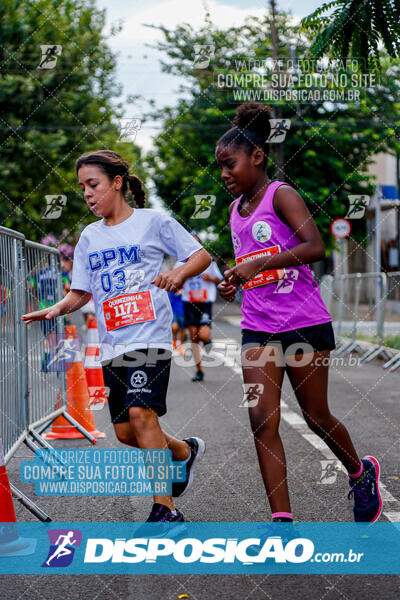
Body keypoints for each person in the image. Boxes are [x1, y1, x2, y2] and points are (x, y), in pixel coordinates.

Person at [22, 149, 210, 529]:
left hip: (150, 337)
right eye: (82, 189)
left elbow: (200, 256)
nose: (88, 194)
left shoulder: (153, 221)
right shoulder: (90, 236)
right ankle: (184, 451)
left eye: (93, 185)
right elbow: (81, 293)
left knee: (143, 416)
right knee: (128, 433)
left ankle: (166, 510)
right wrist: (56, 309)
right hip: (112, 345)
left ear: (117, 182)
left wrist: (177, 275)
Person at [215, 102, 382, 524]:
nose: (224, 175)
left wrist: (258, 264)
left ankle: (360, 474)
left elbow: (314, 247)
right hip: (258, 329)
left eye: (230, 164)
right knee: (260, 419)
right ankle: (282, 521)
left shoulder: (281, 195)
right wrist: (237, 279)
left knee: (315, 415)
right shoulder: (234, 214)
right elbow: (253, 266)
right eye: (220, 168)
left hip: (304, 323)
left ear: (256, 157)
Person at [178, 237, 223, 382]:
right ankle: (199, 370)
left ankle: (208, 339)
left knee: (202, 335)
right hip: (189, 302)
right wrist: (183, 277)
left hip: (204, 302)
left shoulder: (208, 260)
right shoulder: (181, 262)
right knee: (193, 337)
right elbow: (175, 285)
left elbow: (219, 279)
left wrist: (210, 278)